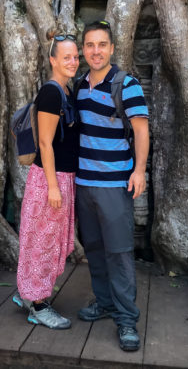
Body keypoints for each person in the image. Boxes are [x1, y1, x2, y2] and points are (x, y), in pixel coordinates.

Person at [75, 20, 149, 351]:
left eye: (101, 45)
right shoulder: (77, 85)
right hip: (83, 183)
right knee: (94, 249)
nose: (95, 51)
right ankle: (104, 303)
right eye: (90, 45)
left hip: (115, 183)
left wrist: (140, 170)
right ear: (83, 50)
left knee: (118, 252)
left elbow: (142, 130)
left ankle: (126, 319)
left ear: (111, 49)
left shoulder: (126, 85)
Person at [12, 31, 80, 329]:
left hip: (61, 178)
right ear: (53, 60)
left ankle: (26, 292)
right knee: (43, 242)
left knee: (45, 240)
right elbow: (45, 143)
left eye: (75, 56)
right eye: (66, 57)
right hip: (49, 180)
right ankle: (37, 305)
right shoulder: (52, 93)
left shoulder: (67, 90)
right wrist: (53, 186)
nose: (73, 61)